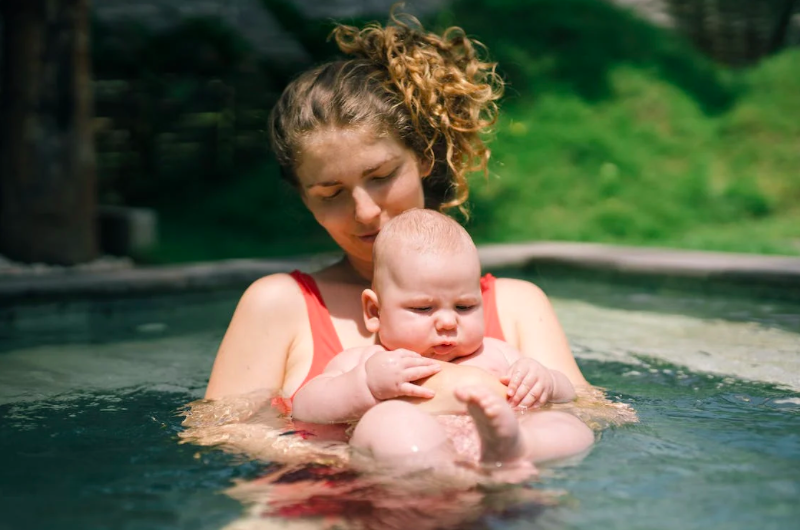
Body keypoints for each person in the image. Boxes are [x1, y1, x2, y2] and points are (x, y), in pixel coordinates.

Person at [203, 9, 589, 455]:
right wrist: (367, 452)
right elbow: (216, 432)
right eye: (331, 193)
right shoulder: (280, 305)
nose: (365, 212)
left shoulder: (519, 306)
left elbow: (597, 413)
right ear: (305, 199)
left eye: (382, 175)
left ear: (424, 157)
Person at [292, 209, 594, 468]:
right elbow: (304, 407)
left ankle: (517, 447)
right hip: (423, 456)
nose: (449, 321)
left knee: (570, 426)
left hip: (498, 444)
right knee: (387, 420)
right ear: (374, 311)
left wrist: (546, 382)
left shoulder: (499, 352)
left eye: (465, 306)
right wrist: (365, 386)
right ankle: (434, 472)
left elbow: (570, 393)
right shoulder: (367, 361)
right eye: (423, 308)